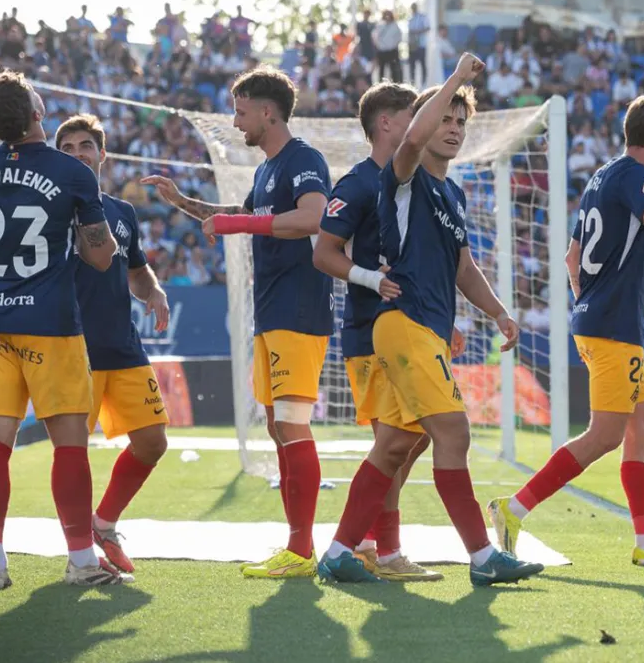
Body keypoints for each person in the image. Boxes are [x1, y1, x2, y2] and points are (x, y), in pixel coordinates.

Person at [316, 53, 544, 586]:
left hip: (427, 328)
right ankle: (484, 557)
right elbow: (413, 141)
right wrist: (457, 80)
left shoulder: (452, 193)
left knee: (398, 443)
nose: (456, 129)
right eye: (446, 118)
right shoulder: (404, 176)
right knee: (454, 433)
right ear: (424, 121)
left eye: (462, 122)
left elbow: (464, 266)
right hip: (403, 324)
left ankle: (340, 551)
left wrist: (499, 312)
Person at [489, 95, 644, 567]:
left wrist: (585, 313)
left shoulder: (604, 176)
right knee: (605, 434)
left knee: (643, 424)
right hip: (612, 326)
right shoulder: (637, 177)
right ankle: (513, 508)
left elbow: (571, 259)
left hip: (603, 322)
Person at [145, 66, 333, 579]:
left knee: (292, 425)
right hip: (271, 313)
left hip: (298, 310)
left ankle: (300, 549)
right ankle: (296, 545)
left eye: (241, 111)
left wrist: (241, 223)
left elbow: (314, 217)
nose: (236, 120)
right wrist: (183, 202)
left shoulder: (304, 159)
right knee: (277, 426)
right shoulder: (267, 170)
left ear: (268, 112)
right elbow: (236, 213)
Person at [0, 71, 124, 588]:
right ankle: (80, 560)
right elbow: (99, 258)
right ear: (35, 114)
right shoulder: (73, 172)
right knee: (70, 445)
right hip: (49, 323)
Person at [312, 81, 445, 581]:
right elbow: (323, 254)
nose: (425, 123)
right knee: (395, 442)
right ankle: (380, 551)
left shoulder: (410, 183)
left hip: (406, 331)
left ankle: (368, 541)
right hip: (371, 331)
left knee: (412, 441)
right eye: (415, 113)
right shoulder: (359, 183)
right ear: (386, 122)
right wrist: (372, 278)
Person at [57, 114, 172, 575]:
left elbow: (137, 270)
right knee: (72, 455)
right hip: (71, 348)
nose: (79, 153)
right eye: (67, 147)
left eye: (86, 145)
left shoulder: (122, 213)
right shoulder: (50, 210)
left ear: (102, 155)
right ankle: (80, 554)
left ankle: (103, 524)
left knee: (152, 442)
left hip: (124, 347)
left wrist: (155, 291)